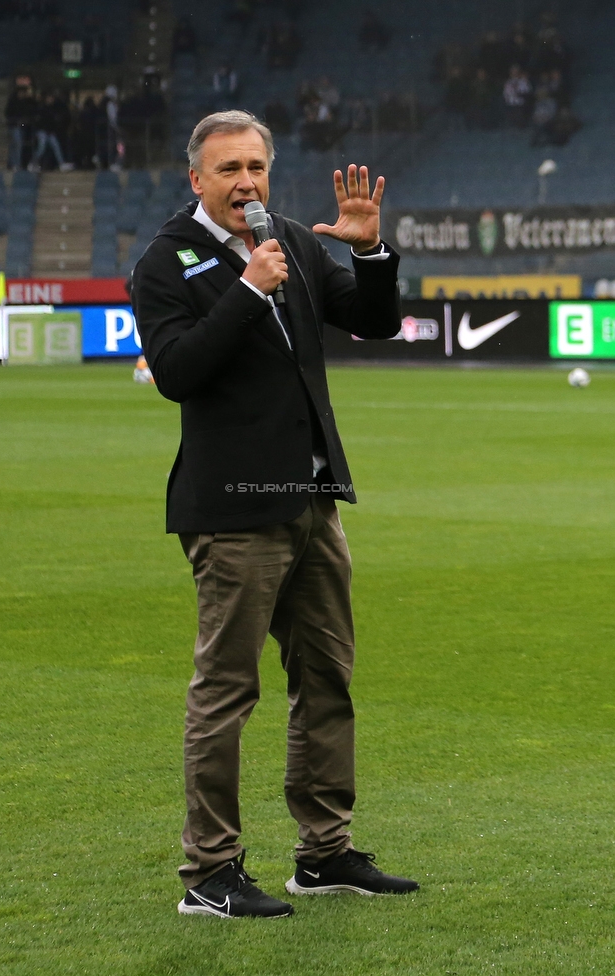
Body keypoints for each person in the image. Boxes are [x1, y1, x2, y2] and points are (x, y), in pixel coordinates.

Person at [131, 109, 419, 920]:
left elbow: (375, 321)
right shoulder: (166, 260)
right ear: (196, 179)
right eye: (228, 170)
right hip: (233, 510)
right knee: (227, 691)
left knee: (327, 678)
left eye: (256, 167)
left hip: (314, 501)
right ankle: (209, 873)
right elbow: (179, 372)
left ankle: (324, 854)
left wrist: (366, 251)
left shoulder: (289, 236)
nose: (246, 183)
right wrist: (250, 292)